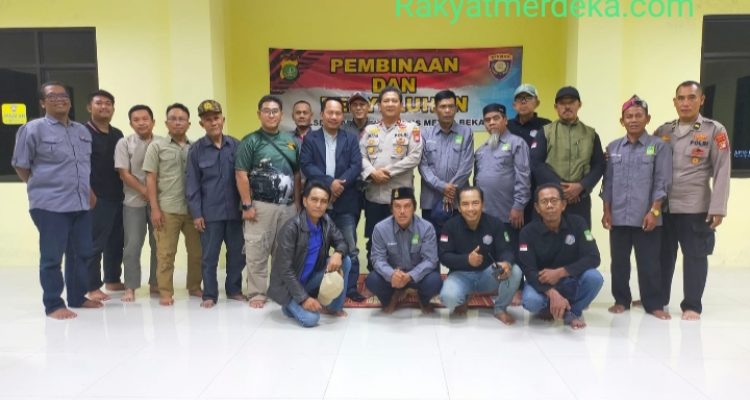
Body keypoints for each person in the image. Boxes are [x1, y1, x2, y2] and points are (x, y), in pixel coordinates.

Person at [11, 81, 103, 319]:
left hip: (81, 202)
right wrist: (42, 186)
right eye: (53, 96)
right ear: (43, 103)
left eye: (64, 96)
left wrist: (89, 191)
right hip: (49, 204)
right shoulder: (32, 129)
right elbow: (21, 165)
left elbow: (82, 167)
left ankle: (77, 296)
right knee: (52, 257)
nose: (60, 99)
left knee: (82, 252)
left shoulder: (81, 131)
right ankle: (53, 304)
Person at [654, 80, 731, 321]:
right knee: (662, 256)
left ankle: (692, 305)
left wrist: (718, 208)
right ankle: (659, 299)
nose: (685, 103)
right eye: (681, 98)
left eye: (691, 97)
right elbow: (649, 161)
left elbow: (722, 169)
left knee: (695, 256)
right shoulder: (664, 131)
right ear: (674, 101)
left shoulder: (714, 130)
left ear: (702, 100)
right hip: (665, 206)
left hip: (695, 207)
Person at [601, 95, 672, 320]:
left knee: (649, 263)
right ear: (622, 121)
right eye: (629, 116)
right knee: (619, 263)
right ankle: (621, 300)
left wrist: (654, 211)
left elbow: (662, 181)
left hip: (647, 217)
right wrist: (606, 211)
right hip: (619, 217)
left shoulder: (659, 146)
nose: (633, 120)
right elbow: (608, 182)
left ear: (647, 118)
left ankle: (654, 304)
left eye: (638, 116)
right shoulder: (613, 147)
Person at [235, 95, 302, 308]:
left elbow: (297, 175)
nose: (271, 115)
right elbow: (241, 174)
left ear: (281, 114)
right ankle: (256, 292)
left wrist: (298, 203)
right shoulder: (250, 141)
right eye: (266, 111)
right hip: (260, 206)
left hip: (288, 206)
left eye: (275, 111)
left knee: (285, 251)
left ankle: (279, 290)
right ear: (259, 114)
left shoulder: (292, 142)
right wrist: (247, 205)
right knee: (257, 249)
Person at [300, 97, 365, 302]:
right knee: (315, 248)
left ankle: (350, 288)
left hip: (346, 201)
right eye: (330, 112)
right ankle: (315, 285)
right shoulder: (311, 139)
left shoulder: (350, 138)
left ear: (342, 116)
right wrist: (330, 183)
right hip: (318, 203)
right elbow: (306, 165)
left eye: (338, 113)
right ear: (322, 115)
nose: (334, 116)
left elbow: (356, 165)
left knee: (350, 247)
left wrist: (340, 184)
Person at [519, 183, 604, 329]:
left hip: (570, 280)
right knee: (531, 301)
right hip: (542, 284)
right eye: (544, 202)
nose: (550, 205)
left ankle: (573, 312)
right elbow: (528, 270)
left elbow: (593, 257)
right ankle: (552, 308)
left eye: (554, 200)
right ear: (537, 208)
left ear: (563, 204)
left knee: (595, 278)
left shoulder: (578, 223)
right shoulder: (527, 233)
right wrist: (551, 293)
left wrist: (560, 272)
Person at [186, 100, 245, 308]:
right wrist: (196, 214)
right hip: (210, 214)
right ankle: (210, 294)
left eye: (216, 118)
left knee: (237, 254)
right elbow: (192, 184)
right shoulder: (196, 150)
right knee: (209, 257)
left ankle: (234, 289)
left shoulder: (236, 146)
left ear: (223, 119)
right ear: (201, 124)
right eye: (208, 119)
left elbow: (245, 178)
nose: (213, 122)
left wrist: (247, 207)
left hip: (235, 212)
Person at [268, 181, 351, 327]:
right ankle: (289, 304)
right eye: (314, 199)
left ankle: (334, 308)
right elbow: (285, 270)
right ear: (305, 201)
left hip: (310, 280)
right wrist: (304, 299)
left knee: (346, 260)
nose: (318, 205)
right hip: (288, 287)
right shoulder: (291, 228)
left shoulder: (326, 222)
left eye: (323, 201)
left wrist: (338, 253)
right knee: (311, 319)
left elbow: (342, 242)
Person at [143, 103, 203, 306]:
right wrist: (155, 209)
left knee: (197, 253)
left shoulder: (195, 147)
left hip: (193, 210)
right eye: (173, 119)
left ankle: (194, 286)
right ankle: (165, 292)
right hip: (167, 209)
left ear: (189, 123)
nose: (178, 122)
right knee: (165, 254)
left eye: (182, 119)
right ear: (166, 122)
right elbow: (150, 178)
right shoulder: (156, 146)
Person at [438, 187, 522, 325]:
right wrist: (467, 260)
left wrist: (506, 262)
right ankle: (463, 298)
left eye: (475, 203)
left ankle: (500, 309)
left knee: (515, 270)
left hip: (489, 275)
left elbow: (507, 250)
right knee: (448, 298)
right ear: (459, 208)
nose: (471, 208)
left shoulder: (495, 224)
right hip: (460, 275)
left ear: (483, 204)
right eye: (465, 204)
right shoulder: (450, 226)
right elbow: (443, 256)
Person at [360, 86, 423, 271]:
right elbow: (359, 155)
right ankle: (375, 277)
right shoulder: (369, 130)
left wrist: (386, 172)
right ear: (379, 105)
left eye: (394, 101)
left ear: (401, 105)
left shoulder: (411, 129)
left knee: (403, 241)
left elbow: (414, 157)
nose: (390, 104)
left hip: (400, 198)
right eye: (386, 101)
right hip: (374, 197)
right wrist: (372, 172)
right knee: (374, 239)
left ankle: (403, 278)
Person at [535, 86, 605, 228]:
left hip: (580, 199)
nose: (567, 107)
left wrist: (581, 186)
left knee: (580, 238)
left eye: (571, 102)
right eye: (562, 103)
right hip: (551, 199)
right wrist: (560, 189)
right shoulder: (545, 132)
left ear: (579, 105)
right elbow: (536, 163)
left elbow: (599, 165)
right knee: (549, 238)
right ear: (556, 107)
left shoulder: (591, 134)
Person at [366, 187, 442, 314]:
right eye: (397, 206)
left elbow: (430, 260)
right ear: (391, 209)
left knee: (435, 282)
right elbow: (377, 259)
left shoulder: (426, 228)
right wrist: (392, 274)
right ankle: (392, 297)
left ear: (414, 208)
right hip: (393, 279)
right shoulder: (380, 228)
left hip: (417, 278)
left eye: (407, 206)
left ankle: (422, 299)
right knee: (372, 280)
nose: (402, 211)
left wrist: (410, 276)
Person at [84, 89, 125, 302]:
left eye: (108, 103)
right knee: (95, 243)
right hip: (95, 197)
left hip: (118, 196)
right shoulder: (82, 133)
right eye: (99, 103)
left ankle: (112, 279)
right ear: (89, 107)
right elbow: (77, 166)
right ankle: (92, 286)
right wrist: (88, 193)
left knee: (116, 241)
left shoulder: (117, 134)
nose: (104, 107)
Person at [115, 105, 159, 301]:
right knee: (132, 245)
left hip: (159, 203)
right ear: (131, 123)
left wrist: (153, 196)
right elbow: (124, 173)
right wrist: (146, 192)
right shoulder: (124, 143)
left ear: (153, 122)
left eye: (145, 119)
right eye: (136, 120)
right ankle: (130, 286)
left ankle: (156, 283)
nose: (141, 123)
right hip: (133, 202)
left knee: (159, 244)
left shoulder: (162, 143)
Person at [474, 103, 530, 254]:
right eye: (487, 120)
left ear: (505, 120)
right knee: (488, 256)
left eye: (496, 118)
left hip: (509, 215)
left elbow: (524, 177)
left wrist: (518, 206)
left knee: (509, 257)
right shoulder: (481, 150)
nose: (491, 123)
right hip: (485, 216)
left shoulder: (517, 143)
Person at [418, 89, 474, 234]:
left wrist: (450, 189)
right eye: (443, 106)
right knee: (431, 241)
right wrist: (442, 186)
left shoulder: (466, 132)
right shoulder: (425, 133)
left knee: (458, 241)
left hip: (457, 202)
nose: (447, 110)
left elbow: (467, 165)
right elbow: (423, 166)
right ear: (435, 109)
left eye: (451, 106)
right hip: (431, 202)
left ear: (456, 109)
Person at [507, 83, 552, 222]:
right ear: (514, 105)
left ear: (537, 103)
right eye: (520, 99)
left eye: (528, 98)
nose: (523, 102)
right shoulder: (507, 126)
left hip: (539, 185)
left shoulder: (547, 125)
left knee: (538, 226)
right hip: (513, 187)